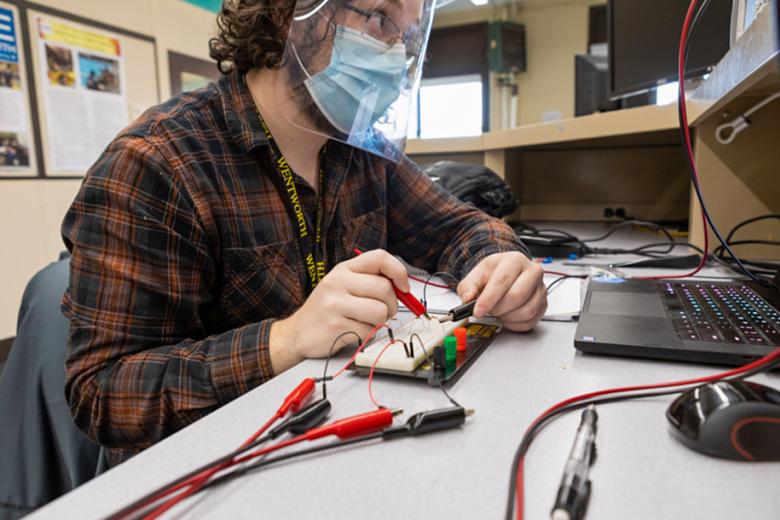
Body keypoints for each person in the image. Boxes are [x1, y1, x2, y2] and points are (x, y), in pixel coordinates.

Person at [61, 0, 547, 466]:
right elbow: (102, 392)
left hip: (327, 432)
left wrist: (500, 262)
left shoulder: (362, 151)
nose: (397, 55)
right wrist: (286, 340)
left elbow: (456, 226)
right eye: (379, 18)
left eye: (409, 36)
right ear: (288, 12)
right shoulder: (158, 163)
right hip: (209, 470)